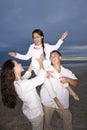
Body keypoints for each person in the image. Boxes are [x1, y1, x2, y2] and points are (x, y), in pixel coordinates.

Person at [8, 29, 68, 110]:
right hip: (38, 69)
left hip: (47, 67)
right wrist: (16, 55)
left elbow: (56, 46)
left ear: (42, 37)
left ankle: (70, 91)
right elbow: (26, 57)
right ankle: (56, 100)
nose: (36, 39)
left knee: (59, 76)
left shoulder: (46, 46)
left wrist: (62, 38)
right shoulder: (31, 47)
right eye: (34, 37)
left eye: (37, 37)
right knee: (47, 82)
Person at [0, 56, 51, 130]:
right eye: (17, 64)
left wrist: (32, 62)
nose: (20, 64)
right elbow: (40, 79)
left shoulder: (16, 82)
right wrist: (41, 63)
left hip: (30, 111)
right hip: (35, 114)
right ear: (14, 70)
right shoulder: (22, 85)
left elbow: (27, 75)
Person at [40, 50, 80, 130]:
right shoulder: (47, 70)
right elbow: (38, 79)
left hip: (62, 102)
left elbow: (77, 83)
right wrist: (43, 74)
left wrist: (68, 79)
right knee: (46, 123)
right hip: (47, 101)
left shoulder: (67, 72)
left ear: (60, 57)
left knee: (68, 118)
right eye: (51, 56)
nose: (52, 57)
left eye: (55, 55)